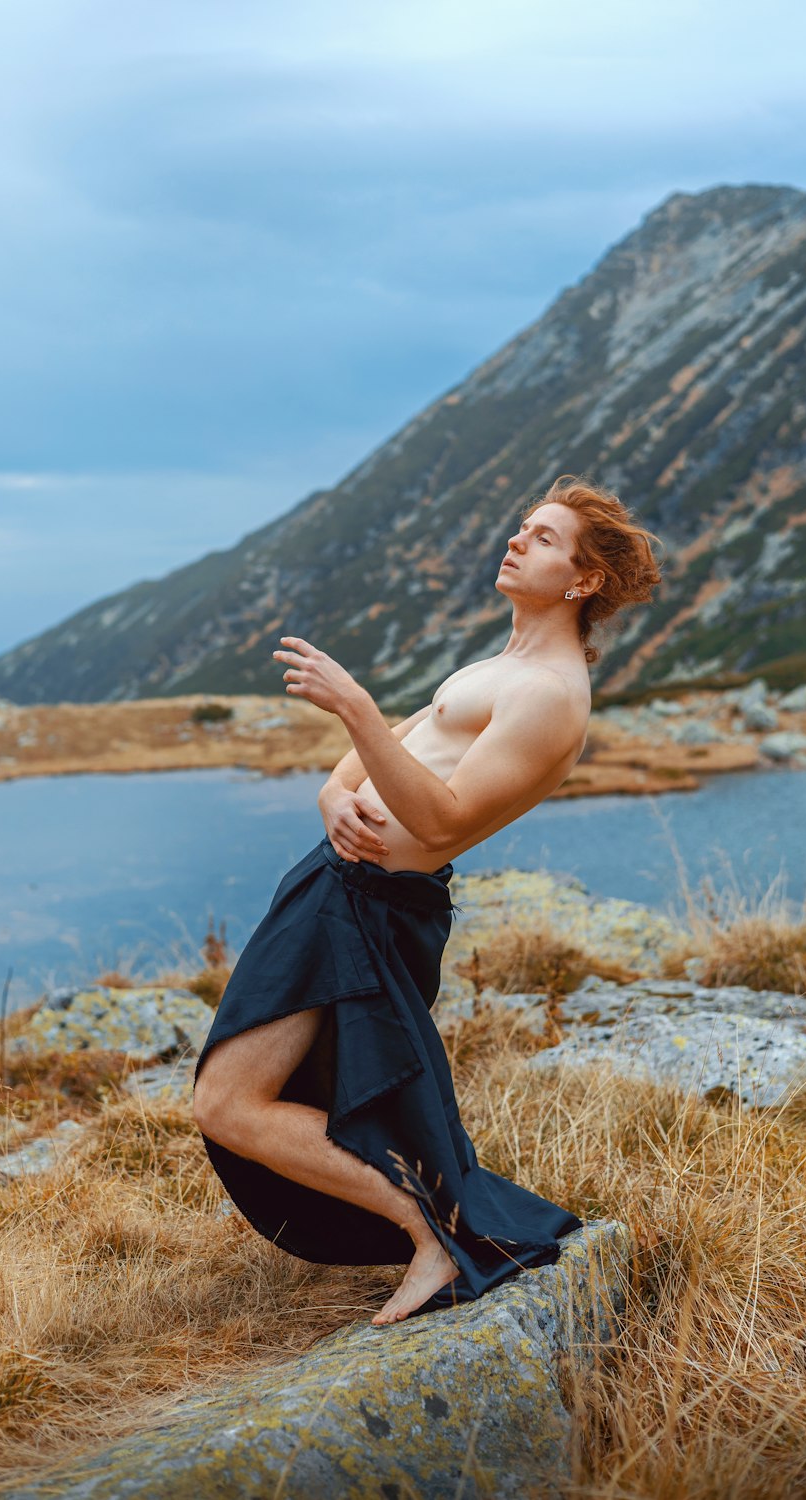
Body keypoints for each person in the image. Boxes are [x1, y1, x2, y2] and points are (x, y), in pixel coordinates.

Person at [192, 474, 663, 1325]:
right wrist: (335, 796)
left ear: (584, 581)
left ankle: (433, 1237)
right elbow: (365, 771)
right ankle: (433, 1232)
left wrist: (356, 707)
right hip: (337, 888)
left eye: (543, 537)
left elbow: (441, 821)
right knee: (238, 1097)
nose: (517, 540)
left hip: (370, 909)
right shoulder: (497, 667)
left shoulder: (550, 695)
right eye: (523, 525)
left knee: (229, 1101)